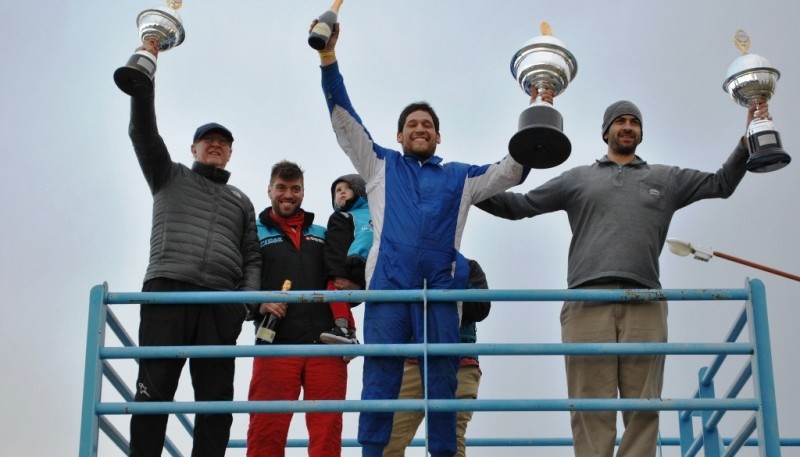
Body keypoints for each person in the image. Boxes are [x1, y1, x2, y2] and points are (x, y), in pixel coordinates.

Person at [477, 98, 767, 457]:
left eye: (634, 122)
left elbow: (721, 183)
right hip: (587, 301)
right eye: (620, 121)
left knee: (644, 405)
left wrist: (746, 141)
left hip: (644, 300)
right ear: (606, 130)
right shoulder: (577, 179)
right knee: (589, 403)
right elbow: (518, 206)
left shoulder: (665, 178)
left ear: (640, 131)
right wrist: (466, 188)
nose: (627, 127)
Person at [313, 21, 538, 457]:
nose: (420, 128)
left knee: (442, 381)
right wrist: (328, 60)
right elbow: (343, 118)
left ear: (438, 136)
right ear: (399, 135)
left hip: (441, 288)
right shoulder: (379, 165)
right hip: (389, 286)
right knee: (379, 376)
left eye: (428, 125)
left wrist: (536, 113)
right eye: (412, 124)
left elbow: (511, 169)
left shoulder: (462, 177)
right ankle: (372, 454)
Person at [126, 40, 261, 457]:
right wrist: (145, 72)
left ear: (231, 151)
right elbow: (141, 131)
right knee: (155, 389)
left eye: (223, 141)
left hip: (220, 304)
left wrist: (244, 304)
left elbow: (252, 256)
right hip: (169, 288)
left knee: (216, 400)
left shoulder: (241, 199)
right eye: (208, 140)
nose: (216, 145)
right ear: (194, 148)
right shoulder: (170, 174)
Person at [246, 160, 348, 457]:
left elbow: (344, 279)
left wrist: (348, 318)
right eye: (281, 187)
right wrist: (257, 303)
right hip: (275, 343)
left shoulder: (323, 232)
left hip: (326, 344)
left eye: (295, 189)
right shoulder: (253, 232)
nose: (288, 194)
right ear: (269, 190)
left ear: (303, 192)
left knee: (327, 433)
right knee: (266, 431)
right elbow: (242, 276)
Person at [383, 258, 491, 457]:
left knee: (451, 445)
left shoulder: (468, 267)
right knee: (388, 441)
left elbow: (480, 308)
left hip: (459, 362)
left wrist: (440, 287)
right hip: (414, 361)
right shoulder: (408, 265)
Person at [320, 174, 373, 345]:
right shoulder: (368, 213)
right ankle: (350, 332)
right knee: (342, 297)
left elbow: (365, 235)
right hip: (359, 265)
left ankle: (342, 327)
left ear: (359, 190)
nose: (342, 193)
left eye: (347, 188)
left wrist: (342, 267)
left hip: (350, 264)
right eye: (338, 190)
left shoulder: (352, 216)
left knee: (334, 288)